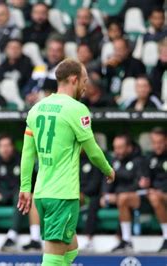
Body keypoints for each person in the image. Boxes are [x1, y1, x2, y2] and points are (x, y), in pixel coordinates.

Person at [18, 59, 115, 266]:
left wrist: (26, 187)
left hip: (42, 194)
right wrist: (108, 169)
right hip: (63, 194)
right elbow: (93, 151)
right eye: (85, 80)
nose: (86, 85)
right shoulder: (76, 109)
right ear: (73, 79)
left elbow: (27, 153)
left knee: (70, 251)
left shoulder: (36, 109)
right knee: (52, 259)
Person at [102, 134, 149, 252]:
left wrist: (117, 195)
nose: (117, 151)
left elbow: (140, 184)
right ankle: (88, 239)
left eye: (120, 147)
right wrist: (105, 194)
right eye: (115, 147)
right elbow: (107, 180)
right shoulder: (115, 161)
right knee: (96, 201)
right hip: (118, 197)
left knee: (123, 199)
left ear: (129, 147)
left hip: (140, 197)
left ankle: (126, 239)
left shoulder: (140, 161)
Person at [23, 36, 65, 107]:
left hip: (53, 104)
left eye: (57, 51)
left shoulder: (65, 68)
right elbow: (30, 84)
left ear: (62, 52)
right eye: (51, 50)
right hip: (32, 102)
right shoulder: (41, 66)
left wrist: (41, 93)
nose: (54, 54)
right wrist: (28, 94)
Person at [146, 127, 167, 252]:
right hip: (153, 196)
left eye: (159, 142)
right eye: (154, 142)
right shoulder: (149, 158)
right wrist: (145, 183)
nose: (157, 146)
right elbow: (145, 177)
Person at [79, 151, 104, 250]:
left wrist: (80, 192)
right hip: (73, 192)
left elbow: (95, 185)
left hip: (90, 195)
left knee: (72, 199)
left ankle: (88, 239)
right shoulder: (71, 158)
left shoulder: (95, 159)